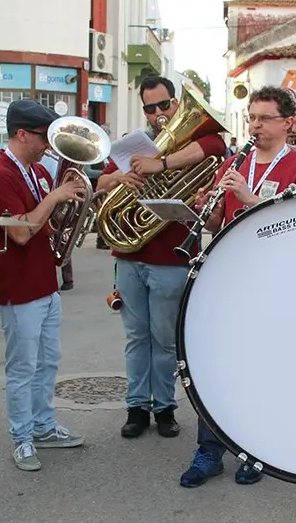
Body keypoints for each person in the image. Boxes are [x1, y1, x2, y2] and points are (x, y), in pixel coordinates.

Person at [180, 85, 296, 488]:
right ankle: (209, 451)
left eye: (263, 118)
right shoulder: (233, 162)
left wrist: (250, 197)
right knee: (214, 366)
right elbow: (218, 221)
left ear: (287, 123)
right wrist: (205, 208)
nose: (254, 126)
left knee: (262, 368)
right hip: (228, 276)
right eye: (251, 118)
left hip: (275, 283)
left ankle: (255, 451)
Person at [95, 75, 227, 440]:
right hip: (129, 256)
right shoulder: (133, 146)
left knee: (165, 339)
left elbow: (215, 145)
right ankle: (137, 407)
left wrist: (161, 164)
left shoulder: (196, 139)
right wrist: (120, 178)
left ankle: (165, 407)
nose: (158, 114)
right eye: (150, 108)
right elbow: (100, 184)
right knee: (136, 337)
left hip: (172, 258)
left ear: (176, 104)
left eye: (164, 105)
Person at [0, 100, 87, 472]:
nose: (49, 146)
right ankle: (22, 437)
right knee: (23, 367)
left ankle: (43, 426)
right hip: (18, 284)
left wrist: (65, 206)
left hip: (44, 281)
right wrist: (56, 196)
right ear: (22, 134)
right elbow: (21, 232)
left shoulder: (38, 171)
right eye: (44, 137)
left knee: (48, 362)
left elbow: (46, 223)